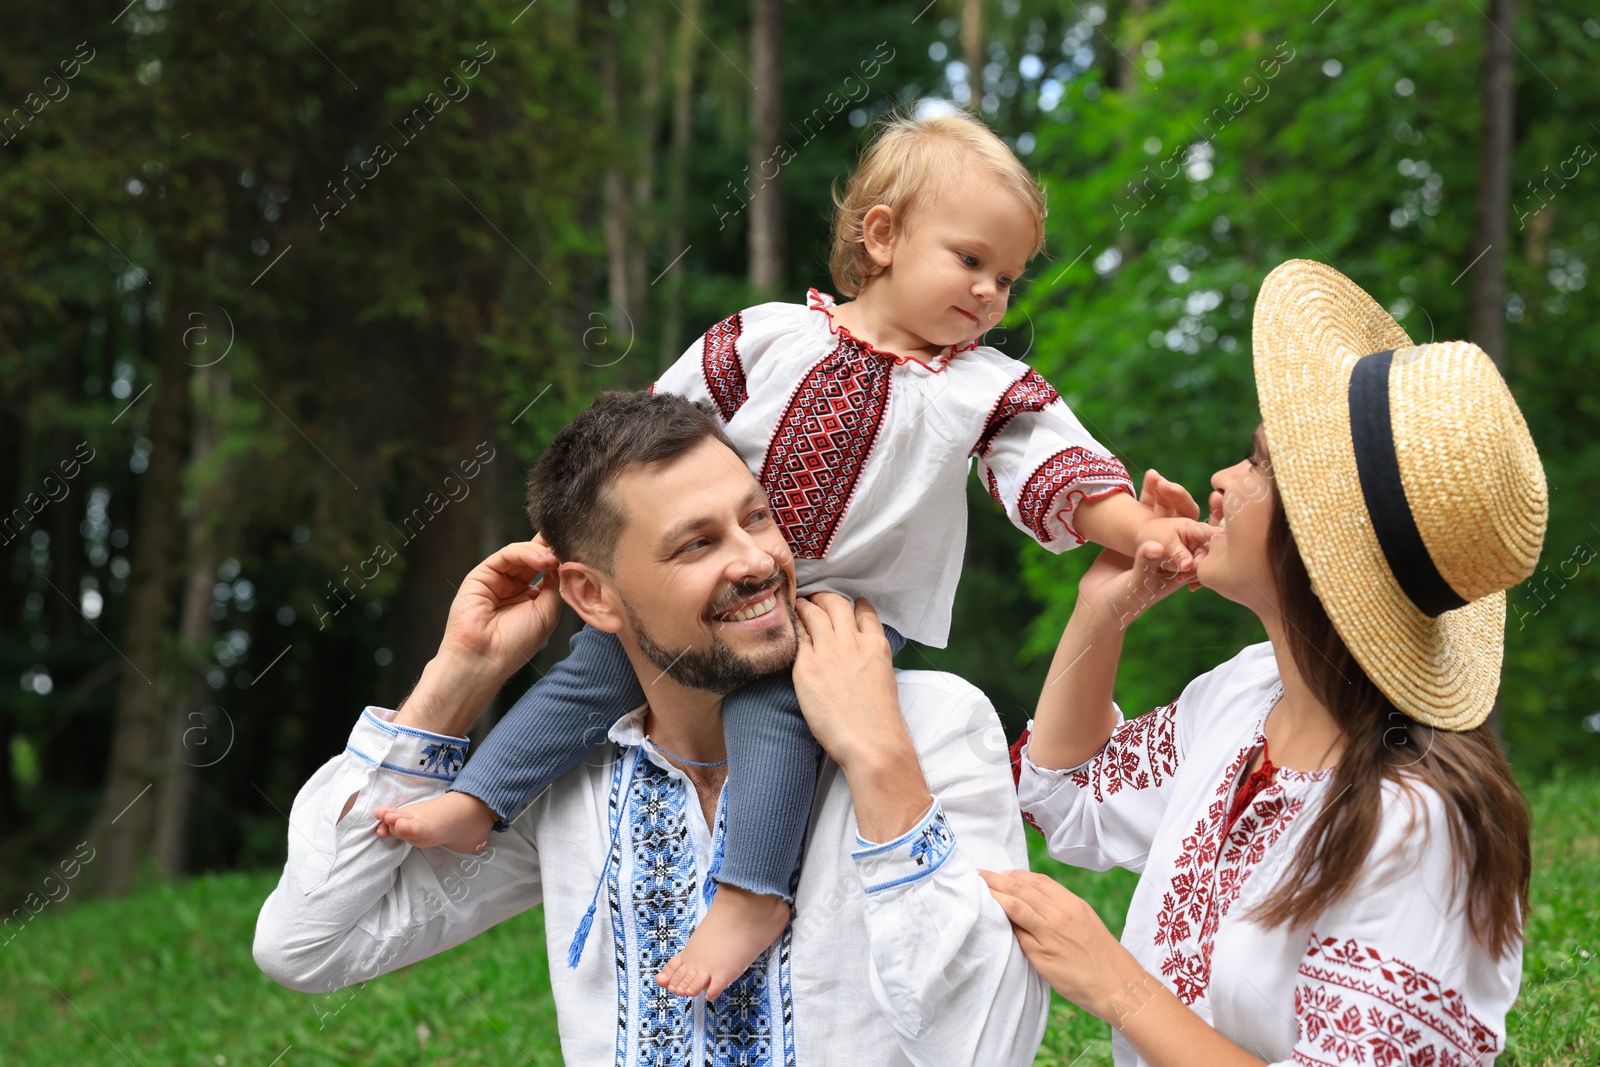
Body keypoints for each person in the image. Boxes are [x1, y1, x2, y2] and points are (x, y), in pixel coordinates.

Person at [381, 108, 1215, 1001]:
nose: (989, 294)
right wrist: (577, 536)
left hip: (840, 612)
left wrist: (1142, 531)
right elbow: (646, 442)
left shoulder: (985, 389)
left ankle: (751, 894)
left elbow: (1058, 470)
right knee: (594, 667)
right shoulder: (767, 335)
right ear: (884, 236)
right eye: (971, 260)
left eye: (1007, 278)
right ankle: (481, 798)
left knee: (775, 709)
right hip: (711, 587)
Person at [253, 390, 1051, 1065]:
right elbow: (309, 945)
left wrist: (879, 763)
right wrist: (458, 677)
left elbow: (992, 1044)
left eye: (758, 519)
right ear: (592, 597)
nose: (756, 561)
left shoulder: (931, 725)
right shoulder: (572, 783)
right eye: (697, 543)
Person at [984, 259, 1543, 1065]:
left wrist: (1117, 984)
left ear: (1321, 543)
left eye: (1256, 462)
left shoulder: (1421, 824)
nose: (1219, 478)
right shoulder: (1249, 693)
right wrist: (1103, 611)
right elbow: (1069, 795)